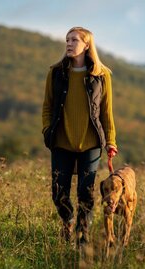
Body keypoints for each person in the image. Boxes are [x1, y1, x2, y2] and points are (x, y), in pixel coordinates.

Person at [42, 26, 118, 245]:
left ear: (87, 45)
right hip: (61, 141)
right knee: (58, 192)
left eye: (74, 40)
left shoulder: (101, 75)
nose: (69, 43)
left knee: (86, 193)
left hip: (91, 143)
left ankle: (82, 238)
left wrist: (111, 140)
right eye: (67, 40)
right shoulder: (55, 73)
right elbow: (47, 106)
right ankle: (68, 220)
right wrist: (47, 130)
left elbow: (106, 111)